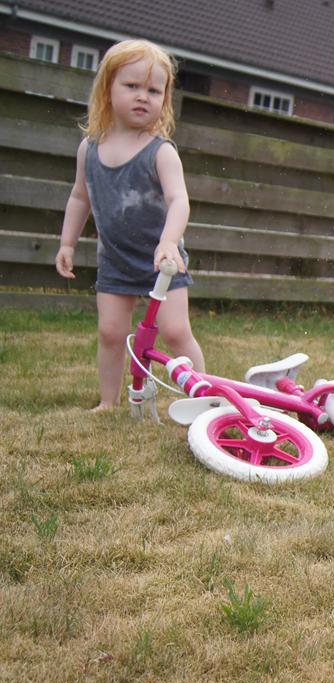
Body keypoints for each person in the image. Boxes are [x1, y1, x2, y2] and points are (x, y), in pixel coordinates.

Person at [54, 39, 205, 411]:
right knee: (110, 333)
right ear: (108, 88)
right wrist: (67, 244)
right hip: (116, 261)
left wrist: (169, 242)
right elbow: (79, 197)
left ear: (165, 99)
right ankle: (108, 402)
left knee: (174, 331)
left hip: (163, 264)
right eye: (132, 86)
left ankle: (206, 397)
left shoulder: (160, 151)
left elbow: (179, 200)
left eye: (154, 90)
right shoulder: (89, 148)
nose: (143, 96)